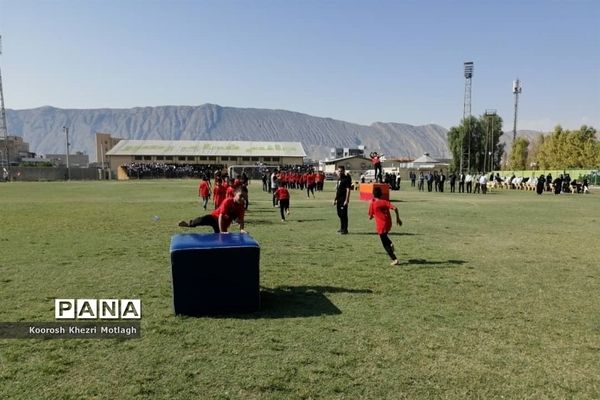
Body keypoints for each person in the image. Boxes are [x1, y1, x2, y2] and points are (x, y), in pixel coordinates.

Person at [178, 187, 247, 233]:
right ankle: (188, 224)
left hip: (224, 224)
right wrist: (222, 232)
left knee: (221, 240)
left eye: (244, 197)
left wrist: (242, 230)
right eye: (240, 196)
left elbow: (241, 221)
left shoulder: (241, 207)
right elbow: (220, 216)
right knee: (202, 220)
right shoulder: (228, 201)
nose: (242, 199)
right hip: (214, 218)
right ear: (235, 194)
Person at [368, 187, 402, 266]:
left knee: (384, 244)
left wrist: (373, 215)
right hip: (388, 224)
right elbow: (395, 208)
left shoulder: (373, 203)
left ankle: (394, 259)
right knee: (385, 237)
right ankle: (390, 243)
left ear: (373, 194)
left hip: (381, 225)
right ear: (381, 194)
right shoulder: (384, 201)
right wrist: (398, 218)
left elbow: (370, 216)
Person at [333, 165, 352, 234]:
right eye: (339, 171)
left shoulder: (346, 179)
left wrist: (346, 200)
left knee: (344, 214)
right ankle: (341, 228)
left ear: (344, 171)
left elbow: (348, 190)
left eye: (341, 171)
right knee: (339, 214)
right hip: (339, 199)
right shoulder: (339, 179)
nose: (340, 172)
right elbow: (338, 190)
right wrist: (335, 199)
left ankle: (345, 229)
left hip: (343, 199)